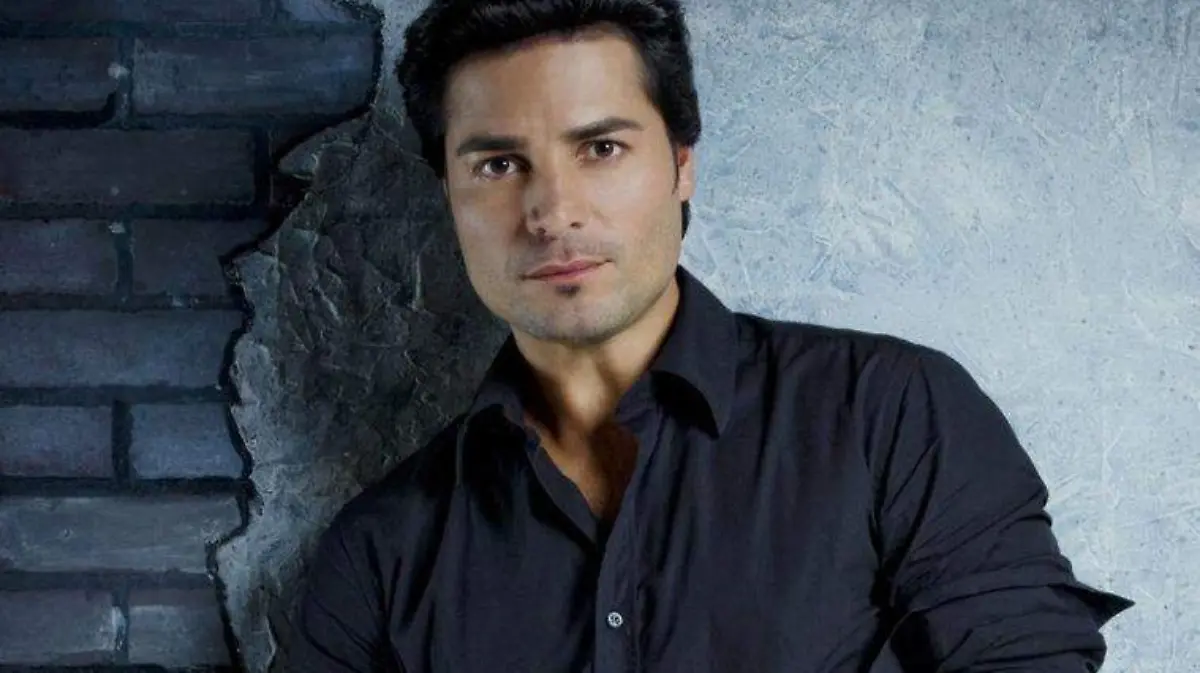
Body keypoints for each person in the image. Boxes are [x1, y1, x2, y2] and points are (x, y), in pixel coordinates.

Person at [286, 0, 1133, 670]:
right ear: (449, 193)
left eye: (601, 148)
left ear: (682, 162)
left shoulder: (893, 415)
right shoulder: (379, 552)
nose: (552, 212)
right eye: (499, 165)